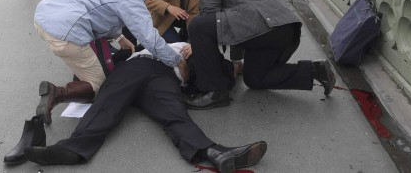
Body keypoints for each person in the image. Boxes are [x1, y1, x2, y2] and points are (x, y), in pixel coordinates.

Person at [24, 43, 268, 173]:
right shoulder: (177, 44)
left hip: (164, 78)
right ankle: (71, 150)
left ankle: (215, 152)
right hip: (140, 66)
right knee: (107, 105)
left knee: (174, 116)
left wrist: (234, 70)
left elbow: (219, 74)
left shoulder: (207, 61)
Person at [33, 0, 186, 125]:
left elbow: (101, 8)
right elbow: (150, 38)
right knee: (100, 85)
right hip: (66, 32)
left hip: (44, 16)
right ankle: (57, 93)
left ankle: (80, 75)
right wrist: (177, 61)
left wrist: (119, 36)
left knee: (89, 62)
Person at [184, 0, 337, 110]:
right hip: (283, 29)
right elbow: (232, 25)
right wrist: (236, 61)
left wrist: (198, 46)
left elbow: (209, 15)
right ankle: (314, 70)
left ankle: (214, 92)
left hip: (263, 24)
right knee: (255, 79)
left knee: (198, 26)